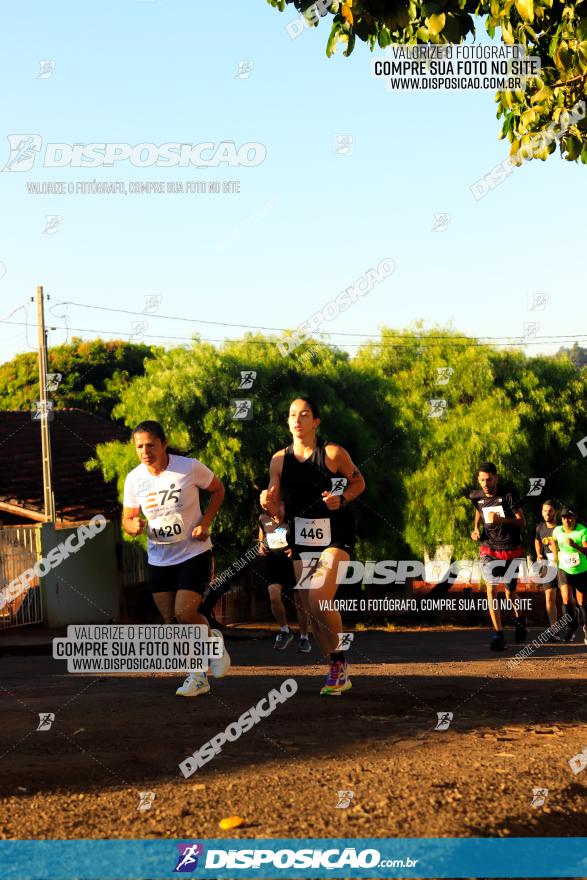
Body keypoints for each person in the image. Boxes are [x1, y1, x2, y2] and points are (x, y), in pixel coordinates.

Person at [261, 396, 365, 695]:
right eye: (292, 414)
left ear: (316, 421)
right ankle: (335, 664)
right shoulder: (279, 459)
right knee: (310, 606)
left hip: (336, 536)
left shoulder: (332, 453)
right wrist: (267, 502)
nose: (297, 419)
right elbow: (275, 502)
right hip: (302, 539)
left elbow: (359, 482)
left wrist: (342, 499)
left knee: (319, 596)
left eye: (304, 414)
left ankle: (340, 659)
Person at [122, 420, 230, 697]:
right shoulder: (134, 479)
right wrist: (131, 526)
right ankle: (209, 647)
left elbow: (218, 490)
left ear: (164, 443)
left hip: (193, 551)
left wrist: (205, 522)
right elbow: (128, 518)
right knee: (171, 620)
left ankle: (197, 675)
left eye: (150, 445)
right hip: (159, 557)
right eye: (139, 447)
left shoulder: (188, 467)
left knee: (185, 613)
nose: (145, 451)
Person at [469, 462, 527, 651]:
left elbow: (522, 522)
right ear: (478, 479)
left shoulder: (508, 496)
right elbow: (479, 511)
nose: (486, 483)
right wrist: (475, 529)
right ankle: (498, 634)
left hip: (511, 549)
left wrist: (501, 519)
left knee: (510, 592)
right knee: (491, 590)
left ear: (496, 478)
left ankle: (520, 619)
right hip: (489, 549)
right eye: (482, 480)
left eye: (489, 479)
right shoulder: (476, 496)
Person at [258, 506, 311, 652]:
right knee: (273, 596)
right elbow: (262, 535)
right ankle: (285, 631)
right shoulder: (263, 518)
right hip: (274, 564)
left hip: (293, 564)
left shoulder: (294, 518)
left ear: (282, 503)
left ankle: (304, 638)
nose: (269, 507)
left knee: (300, 603)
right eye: (265, 504)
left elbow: (306, 538)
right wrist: (261, 545)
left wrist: (295, 549)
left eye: (274, 503)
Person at [549, 508, 586, 644]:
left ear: (574, 518)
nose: (567, 520)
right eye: (564, 518)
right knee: (566, 600)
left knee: (582, 602)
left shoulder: (582, 531)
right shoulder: (557, 530)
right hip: (564, 569)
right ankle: (571, 628)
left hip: (581, 571)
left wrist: (575, 545)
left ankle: (586, 628)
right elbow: (553, 540)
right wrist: (555, 556)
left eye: (569, 517)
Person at [534, 499, 561, 639]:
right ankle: (554, 630)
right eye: (545, 510)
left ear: (555, 512)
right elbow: (537, 540)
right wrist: (538, 554)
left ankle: (573, 623)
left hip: (562, 565)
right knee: (549, 597)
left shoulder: (561, 528)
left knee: (568, 599)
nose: (547, 513)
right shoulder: (540, 527)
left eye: (550, 510)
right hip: (547, 566)